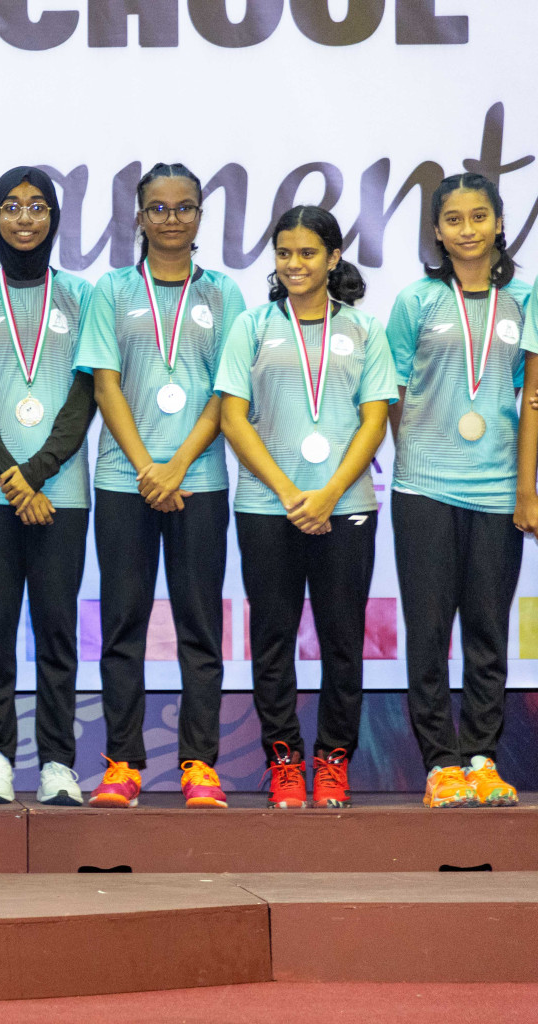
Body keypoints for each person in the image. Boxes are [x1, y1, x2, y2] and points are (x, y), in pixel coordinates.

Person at [74, 162, 245, 810]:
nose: (172, 219)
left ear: (200, 216)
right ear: (139, 217)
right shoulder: (111, 291)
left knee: (201, 626)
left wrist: (176, 468)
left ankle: (199, 762)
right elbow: (105, 383)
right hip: (125, 480)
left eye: (185, 207)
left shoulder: (224, 294)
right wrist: (149, 466)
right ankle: (124, 761)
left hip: (198, 480)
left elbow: (227, 391)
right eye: (159, 208)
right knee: (124, 624)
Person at [217, 205, 395, 809]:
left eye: (308, 253)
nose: (295, 264)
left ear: (334, 257)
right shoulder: (252, 326)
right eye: (285, 254)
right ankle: (285, 761)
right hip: (269, 509)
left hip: (347, 505)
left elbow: (375, 421)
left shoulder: (364, 330)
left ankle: (333, 760)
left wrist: (327, 495)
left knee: (343, 639)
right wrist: (290, 493)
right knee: (273, 639)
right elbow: (232, 419)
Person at [0, 167, 96, 806]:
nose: (24, 218)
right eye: (11, 206)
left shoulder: (82, 297)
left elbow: (88, 392)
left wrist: (35, 476)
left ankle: (59, 761)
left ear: (54, 218)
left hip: (61, 492)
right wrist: (12, 477)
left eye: (37, 206)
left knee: (58, 628)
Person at [397, 173, 529, 808]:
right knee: (427, 631)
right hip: (423, 488)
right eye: (454, 219)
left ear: (500, 224)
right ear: (437, 230)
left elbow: (534, 398)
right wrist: (418, 454)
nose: (468, 229)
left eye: (480, 217)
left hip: (499, 488)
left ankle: (481, 756)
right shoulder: (415, 301)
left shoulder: (526, 298)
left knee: (487, 629)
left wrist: (526, 490)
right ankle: (439, 763)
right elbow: (393, 394)